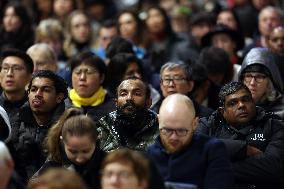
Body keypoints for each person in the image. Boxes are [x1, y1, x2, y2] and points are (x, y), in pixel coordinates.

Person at [197, 81, 284, 188]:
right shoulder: (209, 125)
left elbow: (273, 168)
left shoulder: (273, 125)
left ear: (253, 102)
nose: (241, 105)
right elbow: (196, 152)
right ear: (222, 112)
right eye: (233, 103)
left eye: (246, 100)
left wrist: (215, 166)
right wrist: (243, 149)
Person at [147, 94, 233, 189]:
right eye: (167, 130)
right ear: (159, 121)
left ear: (194, 124)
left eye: (181, 131)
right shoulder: (150, 151)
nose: (173, 137)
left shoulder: (212, 150)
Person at [13, 70, 68, 181]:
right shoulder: (15, 122)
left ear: (59, 97)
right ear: (28, 94)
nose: (38, 94)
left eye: (46, 90)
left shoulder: (68, 126)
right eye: (33, 89)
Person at [33, 108, 106, 189]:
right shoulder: (52, 169)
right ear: (63, 142)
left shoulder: (108, 165)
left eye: (85, 151)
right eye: (73, 152)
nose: (79, 159)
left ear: (96, 141)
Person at [97, 77, 159, 152]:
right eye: (123, 94)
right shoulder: (104, 127)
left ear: (148, 102)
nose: (129, 98)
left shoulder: (160, 127)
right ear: (116, 103)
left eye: (137, 94)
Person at [68, 51, 115, 121]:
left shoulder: (113, 108)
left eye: (89, 72)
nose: (82, 77)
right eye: (77, 72)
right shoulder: (61, 105)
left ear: (101, 78)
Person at [238, 47, 284, 119]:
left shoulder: (281, 113)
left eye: (259, 77)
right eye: (248, 76)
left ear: (269, 82)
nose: (252, 83)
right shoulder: (234, 107)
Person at [0, 49, 34, 143]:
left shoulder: (37, 108)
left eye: (16, 68)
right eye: (5, 68)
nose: (9, 74)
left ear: (29, 77)